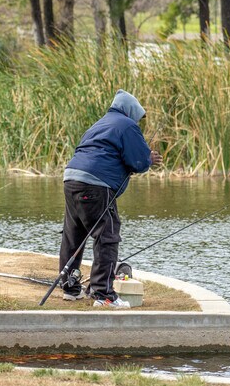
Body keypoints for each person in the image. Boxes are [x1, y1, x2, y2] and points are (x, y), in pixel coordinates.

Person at [59, 90, 162, 309]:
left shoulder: (98, 124)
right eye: (137, 116)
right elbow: (138, 162)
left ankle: (70, 287)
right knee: (107, 235)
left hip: (71, 180)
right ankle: (103, 294)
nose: (138, 122)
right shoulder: (127, 125)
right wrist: (149, 159)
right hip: (96, 184)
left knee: (73, 234)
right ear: (130, 111)